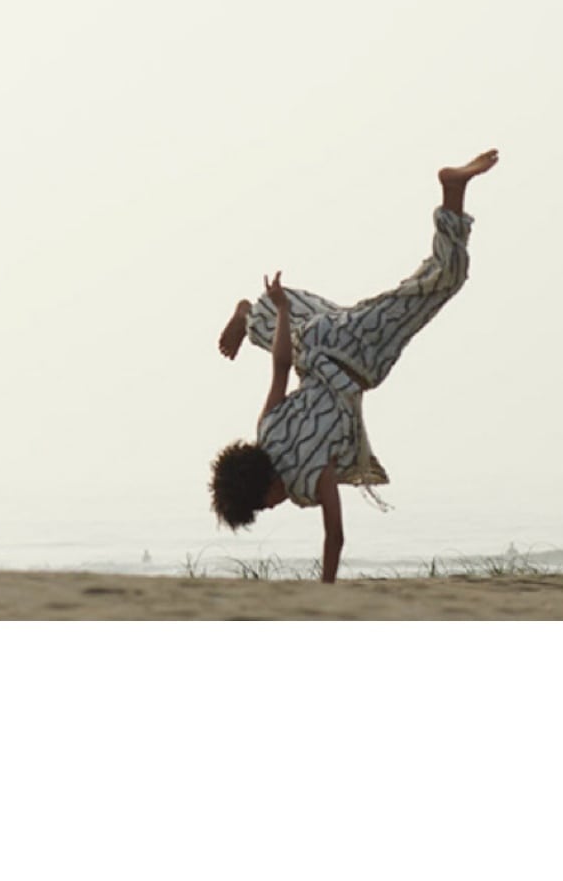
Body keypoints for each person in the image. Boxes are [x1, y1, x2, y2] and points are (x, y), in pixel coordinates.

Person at [209, 149, 499, 581]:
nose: (271, 508)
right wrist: (282, 309)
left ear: (266, 489)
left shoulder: (308, 477)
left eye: (264, 506)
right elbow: (282, 365)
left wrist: (327, 586)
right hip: (318, 340)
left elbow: (335, 535)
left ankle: (451, 192)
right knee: (388, 300)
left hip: (356, 355)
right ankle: (254, 316)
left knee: (440, 282)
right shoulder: (266, 430)